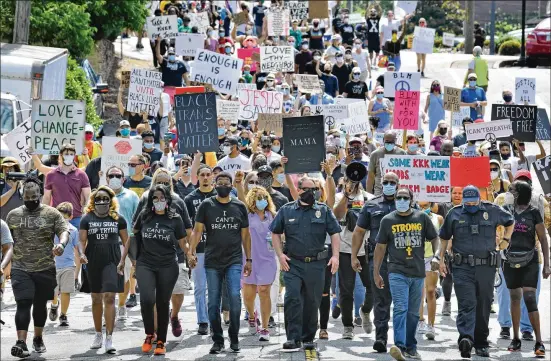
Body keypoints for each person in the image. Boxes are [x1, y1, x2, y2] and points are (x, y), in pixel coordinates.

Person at [438, 185, 515, 358]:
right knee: (467, 303)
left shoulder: (492, 210)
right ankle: (466, 338)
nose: (470, 204)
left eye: (473, 201)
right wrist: (441, 259)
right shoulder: (454, 213)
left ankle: (481, 342)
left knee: (484, 305)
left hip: (486, 267)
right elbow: (443, 238)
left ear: (479, 198)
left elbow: (510, 221)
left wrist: (506, 240)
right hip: (462, 266)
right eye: (467, 202)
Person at [270, 176, 341, 351]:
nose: (312, 193)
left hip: (317, 264)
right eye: (308, 189)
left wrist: (336, 256)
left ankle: (308, 337)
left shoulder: (323, 210)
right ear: (299, 190)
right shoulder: (287, 210)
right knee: (292, 298)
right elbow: (275, 233)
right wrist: (280, 255)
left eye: (315, 189)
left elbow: (334, 233)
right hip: (293, 263)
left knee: (312, 301)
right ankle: (293, 338)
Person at [188, 172, 252, 354]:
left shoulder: (240, 206)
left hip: (233, 259)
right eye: (220, 182)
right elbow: (197, 231)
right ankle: (217, 339)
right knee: (213, 301)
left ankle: (233, 336)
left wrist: (249, 259)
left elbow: (246, 235)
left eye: (227, 182)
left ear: (231, 186)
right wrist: (191, 251)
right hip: (212, 260)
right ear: (215, 185)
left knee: (233, 296)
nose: (223, 185)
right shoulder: (206, 206)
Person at [374, 187, 440, 360]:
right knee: (401, 308)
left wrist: (437, 256)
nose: (401, 201)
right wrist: (376, 272)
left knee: (413, 313)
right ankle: (400, 346)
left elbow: (435, 238)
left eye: (405, 198)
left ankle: (411, 346)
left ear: (411, 200)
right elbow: (380, 247)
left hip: (417, 273)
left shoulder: (422, 217)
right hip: (397, 271)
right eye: (398, 198)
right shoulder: (387, 220)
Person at [7, 176, 69, 358]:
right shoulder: (14, 215)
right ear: (22, 196)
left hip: (44, 267)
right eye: (27, 200)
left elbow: (63, 231)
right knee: (23, 302)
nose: (31, 203)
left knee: (40, 305)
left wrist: (61, 244)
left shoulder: (52, 213)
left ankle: (38, 338)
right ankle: (21, 342)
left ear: (40, 195)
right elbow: (7, 243)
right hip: (20, 268)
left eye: (34, 199)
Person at [129, 185, 188, 355]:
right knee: (147, 299)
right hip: (145, 263)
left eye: (162, 198)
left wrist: (189, 255)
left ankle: (161, 340)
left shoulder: (175, 219)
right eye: (155, 198)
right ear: (151, 201)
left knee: (163, 302)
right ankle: (149, 333)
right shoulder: (145, 216)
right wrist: (128, 259)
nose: (159, 201)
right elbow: (133, 237)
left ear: (168, 200)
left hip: (168, 264)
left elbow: (183, 241)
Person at [352, 172, 400, 353]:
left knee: (401, 300)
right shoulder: (371, 205)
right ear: (381, 183)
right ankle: (381, 338)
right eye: (386, 182)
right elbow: (358, 231)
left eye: (392, 182)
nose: (389, 184)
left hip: (403, 258)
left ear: (398, 184)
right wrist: (354, 256)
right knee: (381, 299)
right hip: (378, 259)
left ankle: (402, 339)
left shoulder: (406, 203)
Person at [501, 181, 549, 356]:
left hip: (530, 260)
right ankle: (515, 338)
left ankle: (539, 342)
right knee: (514, 297)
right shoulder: (506, 211)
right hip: (510, 260)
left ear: (520, 193)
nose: (509, 192)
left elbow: (543, 239)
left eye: (512, 190)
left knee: (529, 298)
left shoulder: (534, 212)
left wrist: (547, 265)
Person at [79, 186, 127, 353]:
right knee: (96, 298)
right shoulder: (87, 218)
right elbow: (81, 241)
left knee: (110, 298)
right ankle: (98, 333)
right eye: (98, 198)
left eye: (105, 198)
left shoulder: (118, 218)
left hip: (112, 261)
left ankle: (109, 337)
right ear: (93, 201)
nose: (101, 201)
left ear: (111, 200)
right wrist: (81, 253)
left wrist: (123, 260)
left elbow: (126, 241)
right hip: (93, 261)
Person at [334, 170, 374, 339]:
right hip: (345, 249)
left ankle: (365, 311)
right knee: (346, 290)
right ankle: (348, 325)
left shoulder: (370, 199)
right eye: (349, 179)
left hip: (365, 250)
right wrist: (346, 196)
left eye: (355, 179)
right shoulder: (338, 197)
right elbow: (336, 214)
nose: (353, 182)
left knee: (373, 287)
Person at [184, 165, 217, 335]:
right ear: (197, 177)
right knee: (199, 287)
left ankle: (214, 318)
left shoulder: (220, 196)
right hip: (199, 248)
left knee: (214, 286)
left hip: (217, 248)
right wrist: (190, 250)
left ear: (212, 177)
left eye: (208, 174)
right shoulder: (190, 199)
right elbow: (187, 225)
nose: (205, 177)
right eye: (202, 175)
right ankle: (202, 320)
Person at [103, 166, 139, 320]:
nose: (114, 178)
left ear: (124, 178)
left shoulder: (131, 196)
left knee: (124, 277)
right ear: (106, 178)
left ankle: (122, 305)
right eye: (111, 175)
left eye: (118, 175)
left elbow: (138, 219)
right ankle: (108, 310)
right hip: (104, 242)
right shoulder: (100, 196)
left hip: (126, 242)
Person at [242, 186, 277, 341]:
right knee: (248, 295)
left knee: (264, 291)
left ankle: (264, 328)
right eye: (258, 198)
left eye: (264, 197)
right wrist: (238, 184)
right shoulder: (247, 216)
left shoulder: (273, 216)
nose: (261, 201)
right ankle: (251, 314)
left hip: (268, 259)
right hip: (249, 259)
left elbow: (280, 235)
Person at [43, 143, 91, 228]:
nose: (69, 156)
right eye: (66, 154)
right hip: (57, 218)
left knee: (77, 241)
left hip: (76, 218)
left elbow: (88, 196)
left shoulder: (81, 174)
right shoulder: (51, 175)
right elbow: (47, 197)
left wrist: (87, 214)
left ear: (74, 156)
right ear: (61, 155)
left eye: (71, 154)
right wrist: (43, 216)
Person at [48, 203, 80, 327]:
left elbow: (77, 251)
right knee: (53, 292)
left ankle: (63, 315)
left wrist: (77, 274)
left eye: (65, 217)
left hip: (68, 265)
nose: (62, 220)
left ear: (71, 217)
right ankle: (54, 305)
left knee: (66, 292)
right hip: (52, 265)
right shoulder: (51, 229)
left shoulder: (73, 230)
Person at [416, 201, 444, 340]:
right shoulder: (411, 216)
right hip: (415, 257)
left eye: (426, 206)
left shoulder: (438, 218)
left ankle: (431, 325)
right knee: (419, 291)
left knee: (431, 291)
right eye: (420, 206)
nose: (423, 208)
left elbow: (442, 239)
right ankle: (420, 320)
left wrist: (440, 258)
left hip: (431, 257)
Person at [367, 131, 406, 197]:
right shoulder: (375, 154)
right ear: (383, 140)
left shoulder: (402, 153)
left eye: (392, 141)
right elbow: (371, 176)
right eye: (387, 141)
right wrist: (369, 195)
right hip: (379, 192)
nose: (389, 143)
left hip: (397, 193)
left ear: (396, 140)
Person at [1, 157, 24, 221]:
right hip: (3, 226)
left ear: (16, 170)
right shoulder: (1, 185)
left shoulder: (24, 185)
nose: (7, 170)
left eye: (11, 167)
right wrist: (13, 189)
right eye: (5, 167)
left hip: (20, 226)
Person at [366, 5, 382, 69]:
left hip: (376, 36)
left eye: (374, 11)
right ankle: (371, 62)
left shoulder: (377, 18)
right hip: (370, 37)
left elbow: (380, 12)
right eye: (371, 11)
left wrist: (378, 6)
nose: (373, 12)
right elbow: (366, 14)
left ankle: (375, 61)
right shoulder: (368, 19)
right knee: (370, 51)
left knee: (377, 51)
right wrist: (369, 8)